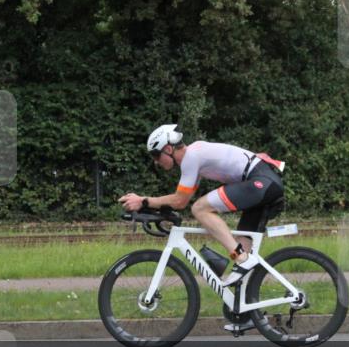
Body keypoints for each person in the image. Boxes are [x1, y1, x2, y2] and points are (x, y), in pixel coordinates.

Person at [118, 124, 285, 331]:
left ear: (168, 149)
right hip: (263, 182)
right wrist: (155, 205)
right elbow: (180, 199)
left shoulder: (191, 157)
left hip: (260, 181)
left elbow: (181, 202)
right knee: (241, 249)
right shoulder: (194, 158)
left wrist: (143, 200)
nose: (155, 161)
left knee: (201, 209)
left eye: (156, 155)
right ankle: (247, 313)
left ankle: (240, 257)